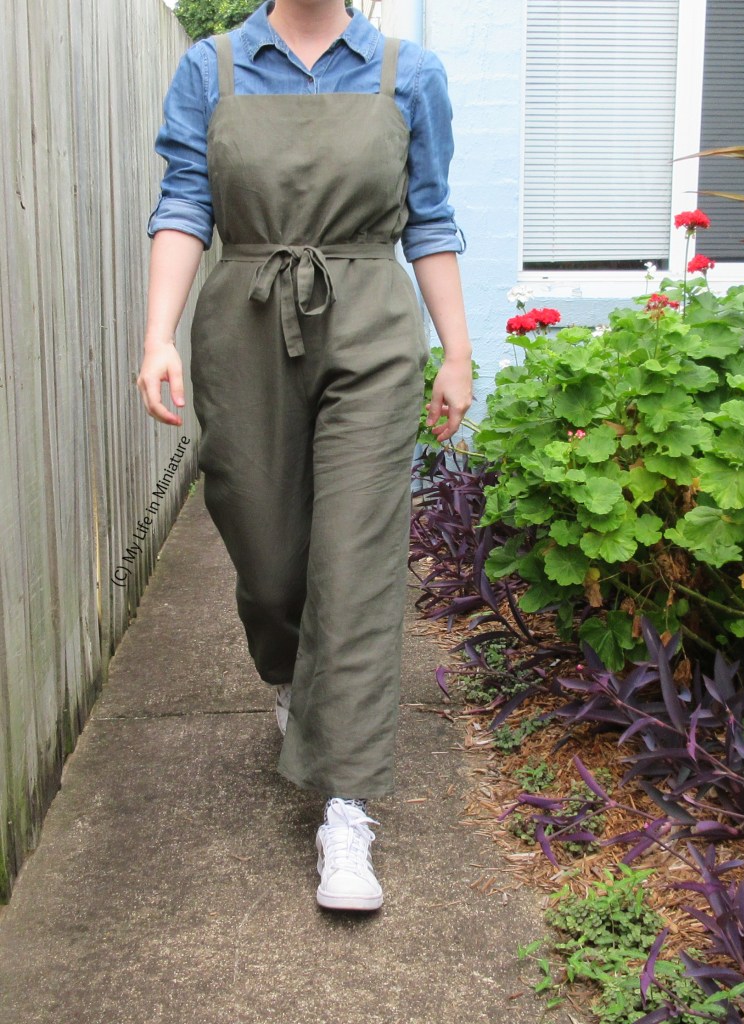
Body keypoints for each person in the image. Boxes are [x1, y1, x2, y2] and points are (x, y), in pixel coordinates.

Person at [137, 0, 472, 912]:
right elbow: (184, 202)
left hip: (368, 319)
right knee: (273, 565)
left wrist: (455, 350)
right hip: (242, 317)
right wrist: (158, 334)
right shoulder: (214, 67)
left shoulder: (410, 72)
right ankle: (291, 682)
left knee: (354, 561)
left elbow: (430, 219)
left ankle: (346, 809)